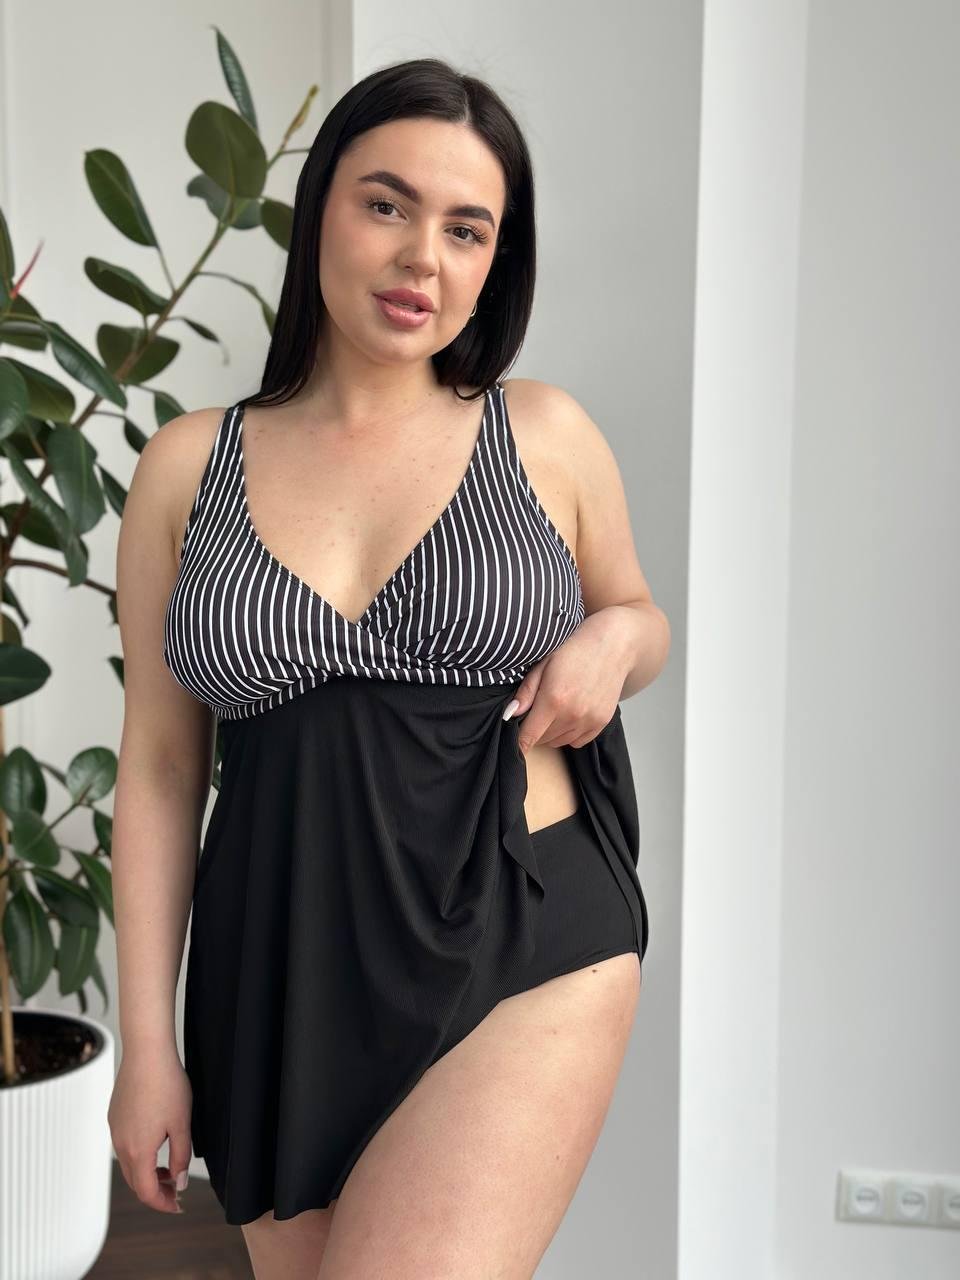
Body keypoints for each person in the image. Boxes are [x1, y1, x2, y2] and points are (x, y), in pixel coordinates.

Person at [108, 56, 669, 1280]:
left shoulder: (543, 434)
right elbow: (158, 767)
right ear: (321, 210)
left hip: (522, 930)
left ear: (497, 260)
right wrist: (146, 1039)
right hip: (280, 972)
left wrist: (613, 642)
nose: (424, 256)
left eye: (467, 229)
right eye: (387, 204)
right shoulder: (186, 469)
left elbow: (636, 614)